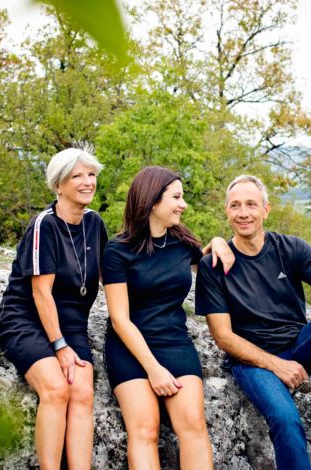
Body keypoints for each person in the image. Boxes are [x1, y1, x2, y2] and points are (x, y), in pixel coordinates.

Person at [195, 175, 311, 469]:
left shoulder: (291, 248)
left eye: (251, 204)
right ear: (227, 211)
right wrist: (276, 365)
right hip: (251, 361)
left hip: (298, 347)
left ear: (266, 209)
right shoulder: (214, 265)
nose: (243, 212)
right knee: (286, 420)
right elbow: (223, 337)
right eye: (235, 206)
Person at [101, 166, 234, 470]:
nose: (183, 204)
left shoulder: (184, 245)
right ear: (152, 201)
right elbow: (120, 318)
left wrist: (219, 241)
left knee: (193, 425)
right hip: (130, 347)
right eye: (176, 197)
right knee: (145, 429)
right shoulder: (117, 251)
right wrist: (154, 370)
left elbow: (211, 265)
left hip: (174, 341)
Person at [0, 147, 107, 470]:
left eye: (91, 175)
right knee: (57, 389)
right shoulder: (44, 225)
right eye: (78, 176)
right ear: (59, 185)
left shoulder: (95, 224)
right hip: (26, 320)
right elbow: (41, 293)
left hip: (72, 324)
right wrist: (59, 347)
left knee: (82, 392)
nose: (88, 182)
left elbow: (110, 271)